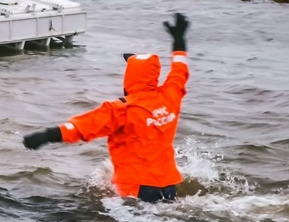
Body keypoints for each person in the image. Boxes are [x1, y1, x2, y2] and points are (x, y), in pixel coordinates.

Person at [22, 14, 190, 203]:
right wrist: (179, 41)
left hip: (136, 189)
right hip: (169, 184)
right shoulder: (169, 97)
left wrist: (45, 136)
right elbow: (180, 71)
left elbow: (81, 127)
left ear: (129, 77)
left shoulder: (121, 109)